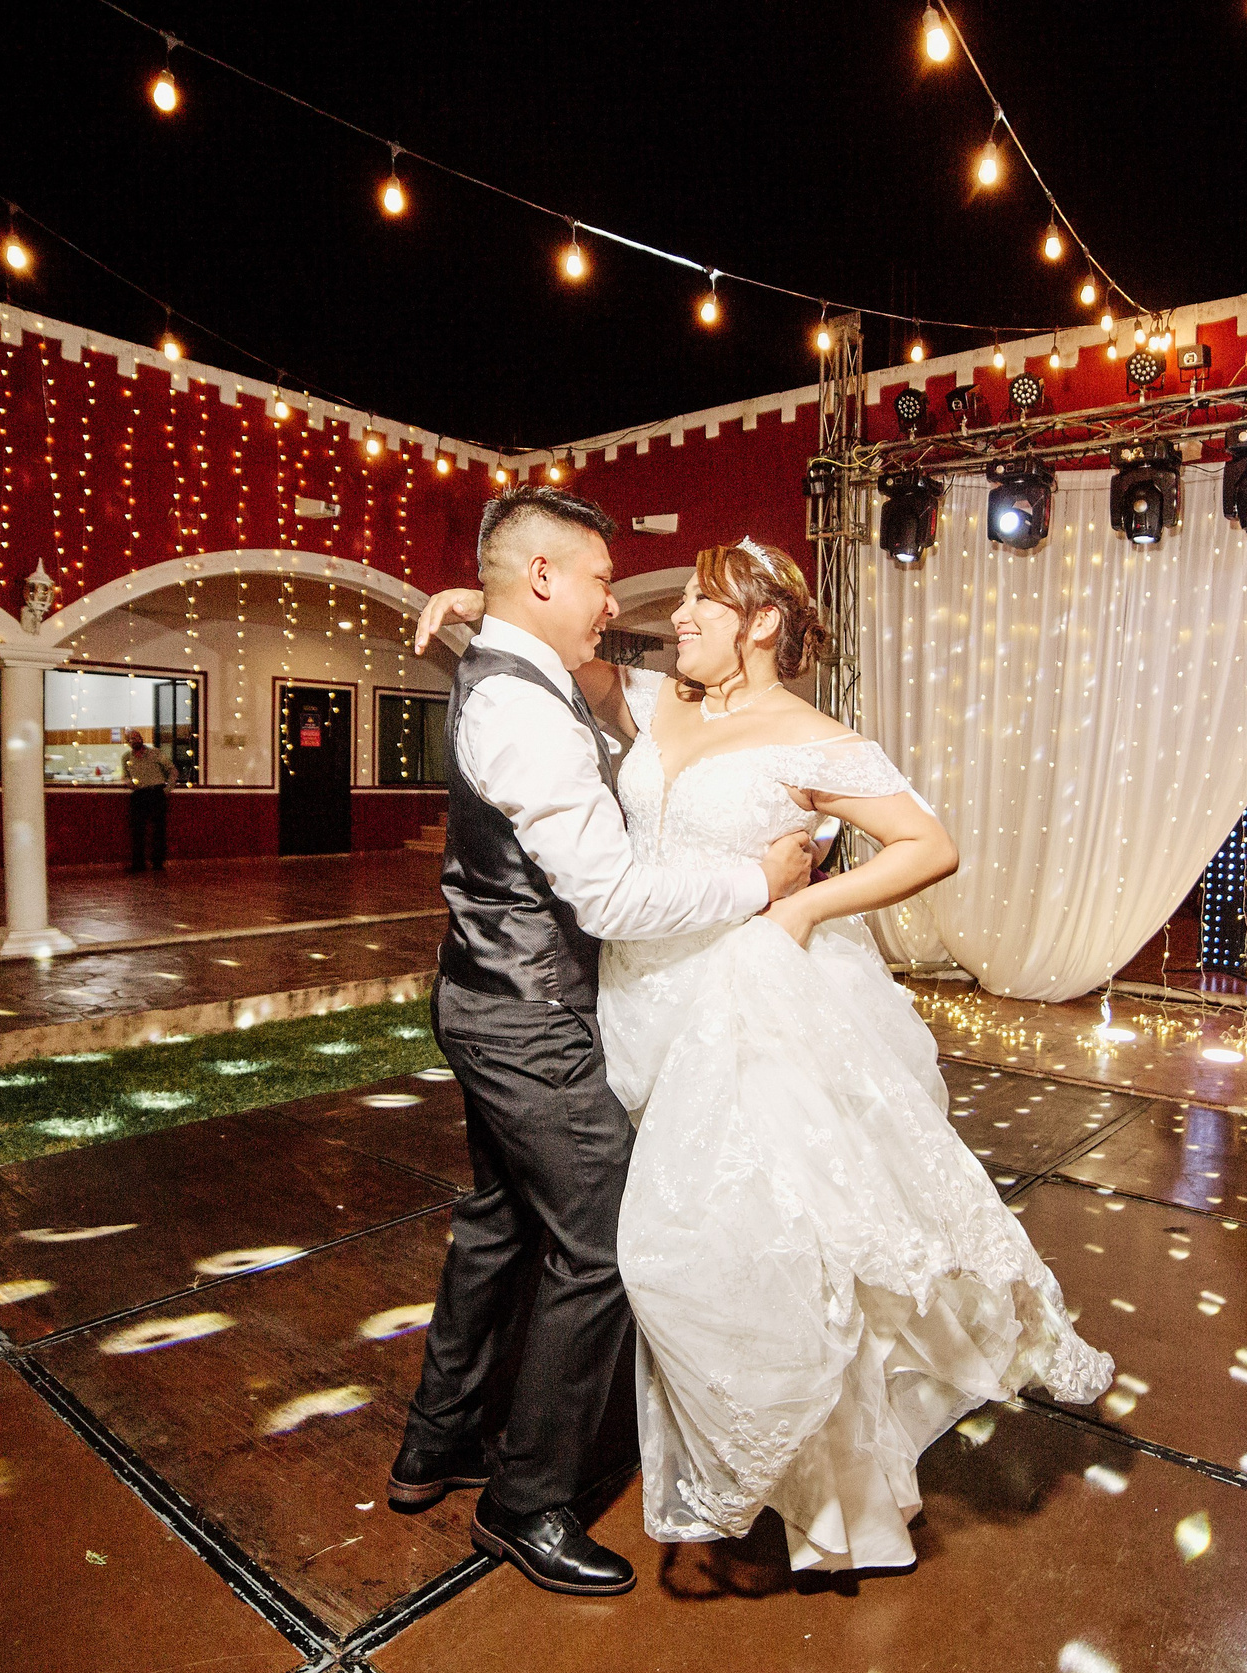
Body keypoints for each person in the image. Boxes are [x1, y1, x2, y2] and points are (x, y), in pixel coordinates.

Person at [416, 538, 1111, 1575]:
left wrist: (806, 907)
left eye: (701, 602)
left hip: (738, 997)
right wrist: (485, 596)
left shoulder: (816, 739)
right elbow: (552, 642)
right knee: (643, 1222)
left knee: (750, 1234)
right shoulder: (657, 701)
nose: (679, 616)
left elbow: (928, 844)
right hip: (629, 1001)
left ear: (763, 622)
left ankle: (798, 1474)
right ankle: (640, 1431)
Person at [385, 489, 817, 1598]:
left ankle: (439, 1440)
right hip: (528, 1019)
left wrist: (476, 618)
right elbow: (613, 895)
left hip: (483, 996)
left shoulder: (509, 674)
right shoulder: (519, 707)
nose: (611, 602)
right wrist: (756, 881)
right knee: (601, 1240)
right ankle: (524, 1499)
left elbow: (596, 688)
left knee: (494, 1223)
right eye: (594, 580)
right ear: (542, 578)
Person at [120, 730, 175, 873]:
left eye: (137, 737)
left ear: (142, 739)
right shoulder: (126, 757)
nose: (135, 740)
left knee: (158, 830)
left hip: (156, 792)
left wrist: (167, 789)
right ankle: (138, 864)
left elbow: (172, 770)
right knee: (137, 830)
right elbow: (125, 775)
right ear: (128, 742)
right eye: (131, 739)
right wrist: (128, 782)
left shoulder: (156, 753)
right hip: (139, 794)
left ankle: (158, 863)